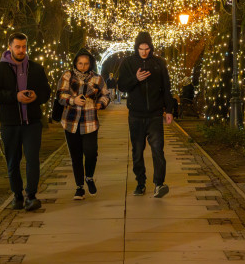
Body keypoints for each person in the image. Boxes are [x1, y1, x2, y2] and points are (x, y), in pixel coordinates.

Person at [0, 32, 52, 211]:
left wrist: (37, 96)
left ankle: (31, 196)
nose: (21, 50)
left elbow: (46, 92)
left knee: (32, 159)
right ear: (10, 47)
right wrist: (15, 96)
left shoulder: (36, 68)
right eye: (17, 47)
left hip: (32, 122)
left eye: (24, 47)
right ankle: (17, 195)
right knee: (12, 161)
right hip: (10, 123)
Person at [117, 32, 176, 198]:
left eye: (147, 48)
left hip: (155, 114)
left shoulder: (158, 63)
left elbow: (166, 88)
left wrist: (169, 110)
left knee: (158, 150)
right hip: (136, 115)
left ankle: (159, 184)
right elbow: (121, 86)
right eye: (141, 48)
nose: (144, 52)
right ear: (136, 48)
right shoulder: (128, 62)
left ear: (151, 47)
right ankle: (140, 183)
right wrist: (135, 78)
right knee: (137, 151)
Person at [56, 49, 111, 200]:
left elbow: (106, 94)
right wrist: (73, 100)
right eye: (80, 63)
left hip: (90, 120)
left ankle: (89, 177)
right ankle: (79, 187)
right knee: (76, 155)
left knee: (91, 151)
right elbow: (60, 95)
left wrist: (101, 103)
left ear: (90, 64)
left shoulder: (97, 79)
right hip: (71, 121)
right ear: (75, 63)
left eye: (86, 64)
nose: (83, 66)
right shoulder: (68, 76)